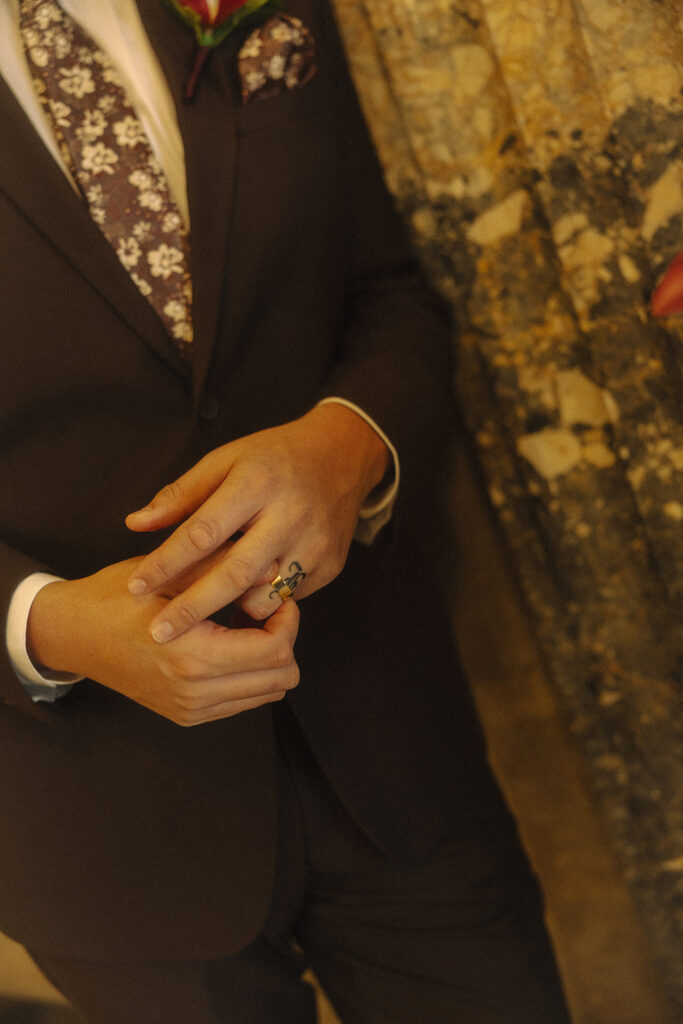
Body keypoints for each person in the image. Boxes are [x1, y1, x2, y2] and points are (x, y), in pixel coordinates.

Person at [0, 0, 572, 1021]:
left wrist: (347, 446)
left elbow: (389, 290)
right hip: (93, 813)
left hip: (389, 745)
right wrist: (48, 624)